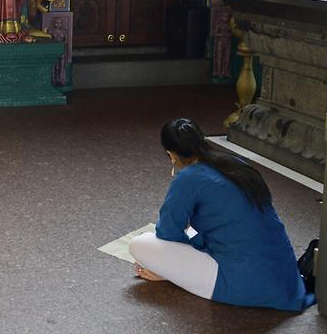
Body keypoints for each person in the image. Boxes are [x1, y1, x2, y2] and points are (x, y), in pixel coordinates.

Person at [129, 118, 313, 312]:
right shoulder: (234, 164)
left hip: (241, 283)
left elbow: (167, 233)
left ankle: (174, 274)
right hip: (285, 280)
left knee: (140, 243)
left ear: (171, 155)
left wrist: (169, 266)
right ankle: (176, 271)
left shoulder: (188, 178)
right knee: (191, 235)